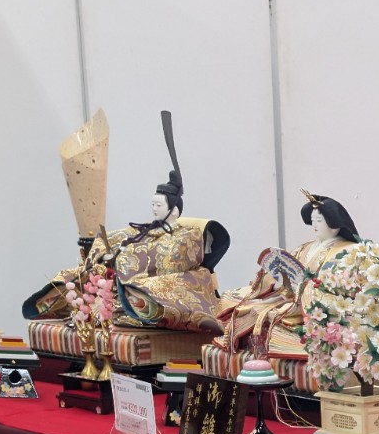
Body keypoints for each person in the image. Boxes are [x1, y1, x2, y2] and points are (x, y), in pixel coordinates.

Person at [25, 112, 230, 331]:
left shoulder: (187, 235)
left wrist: (122, 258)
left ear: (174, 210)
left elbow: (167, 258)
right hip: (117, 281)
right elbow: (122, 237)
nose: (154, 209)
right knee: (88, 271)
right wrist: (103, 248)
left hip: (152, 285)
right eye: (152, 204)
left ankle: (118, 303)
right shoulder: (146, 230)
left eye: (159, 205)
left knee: (128, 288)